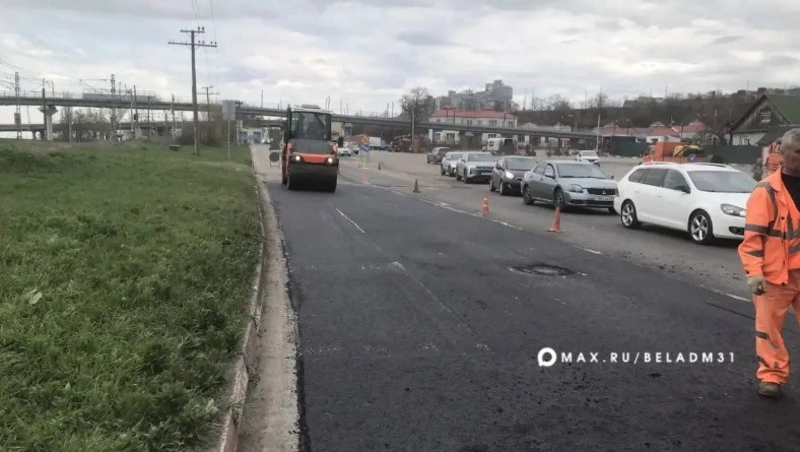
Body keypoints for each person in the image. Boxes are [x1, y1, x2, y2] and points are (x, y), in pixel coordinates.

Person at [738, 128, 800, 398]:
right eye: (798, 152)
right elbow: (753, 238)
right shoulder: (767, 192)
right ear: (782, 153)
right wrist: (755, 273)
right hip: (776, 276)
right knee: (769, 329)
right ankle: (771, 376)